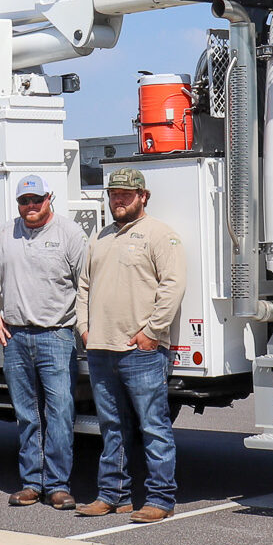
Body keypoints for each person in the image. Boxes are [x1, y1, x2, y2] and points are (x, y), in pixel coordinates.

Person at [0, 174, 88, 509]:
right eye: (24, 201)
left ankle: (58, 485)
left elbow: (88, 284)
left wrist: (85, 327)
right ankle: (31, 483)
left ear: (49, 198)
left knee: (60, 413)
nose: (30, 206)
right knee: (26, 414)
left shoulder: (69, 234)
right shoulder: (5, 234)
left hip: (56, 336)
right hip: (16, 337)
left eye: (36, 199)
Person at [75, 167, 184, 523]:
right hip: (102, 350)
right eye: (113, 194)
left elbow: (173, 286)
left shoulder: (159, 235)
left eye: (125, 194)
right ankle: (113, 495)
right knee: (111, 428)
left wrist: (152, 332)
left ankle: (160, 498)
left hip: (142, 353)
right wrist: (85, 329)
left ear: (143, 196)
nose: (118, 200)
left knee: (153, 427)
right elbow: (84, 287)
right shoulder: (100, 238)